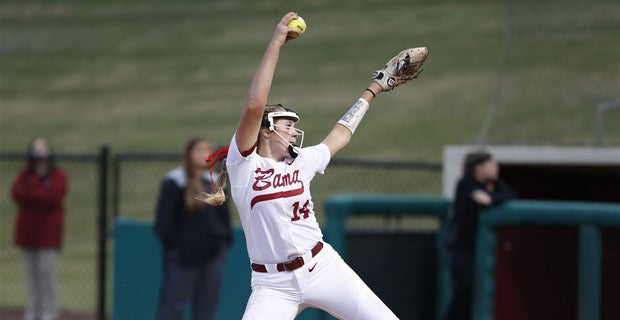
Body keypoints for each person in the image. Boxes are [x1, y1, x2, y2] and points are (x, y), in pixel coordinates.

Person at [198, 12, 428, 320]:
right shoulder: (244, 166)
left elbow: (340, 134)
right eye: (287, 124)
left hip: (322, 267)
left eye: (295, 125)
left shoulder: (302, 161)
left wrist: (373, 90)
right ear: (266, 129)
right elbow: (254, 105)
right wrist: (277, 42)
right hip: (273, 285)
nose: (294, 131)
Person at [154, 136, 233, 320]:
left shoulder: (215, 182)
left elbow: (224, 219)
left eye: (207, 150)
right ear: (188, 154)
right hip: (182, 258)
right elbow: (164, 222)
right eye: (198, 150)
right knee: (173, 307)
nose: (203, 154)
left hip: (212, 256)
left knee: (206, 309)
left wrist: (222, 244)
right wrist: (174, 249)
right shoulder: (175, 181)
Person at [443, 150, 516, 320]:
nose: (496, 168)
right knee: (464, 289)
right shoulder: (466, 183)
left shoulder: (495, 184)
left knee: (480, 291)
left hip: (482, 250)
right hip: (462, 248)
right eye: (491, 164)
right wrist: (489, 199)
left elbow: (510, 196)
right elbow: (477, 199)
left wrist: (491, 198)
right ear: (479, 167)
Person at [11, 137, 67, 320]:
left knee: (46, 276)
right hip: (27, 235)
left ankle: (48, 313)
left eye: (43, 150)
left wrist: (32, 194)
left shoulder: (58, 176)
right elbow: (17, 193)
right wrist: (36, 186)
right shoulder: (25, 175)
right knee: (31, 278)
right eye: (36, 150)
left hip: (48, 237)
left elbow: (52, 197)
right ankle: (32, 313)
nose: (39, 155)